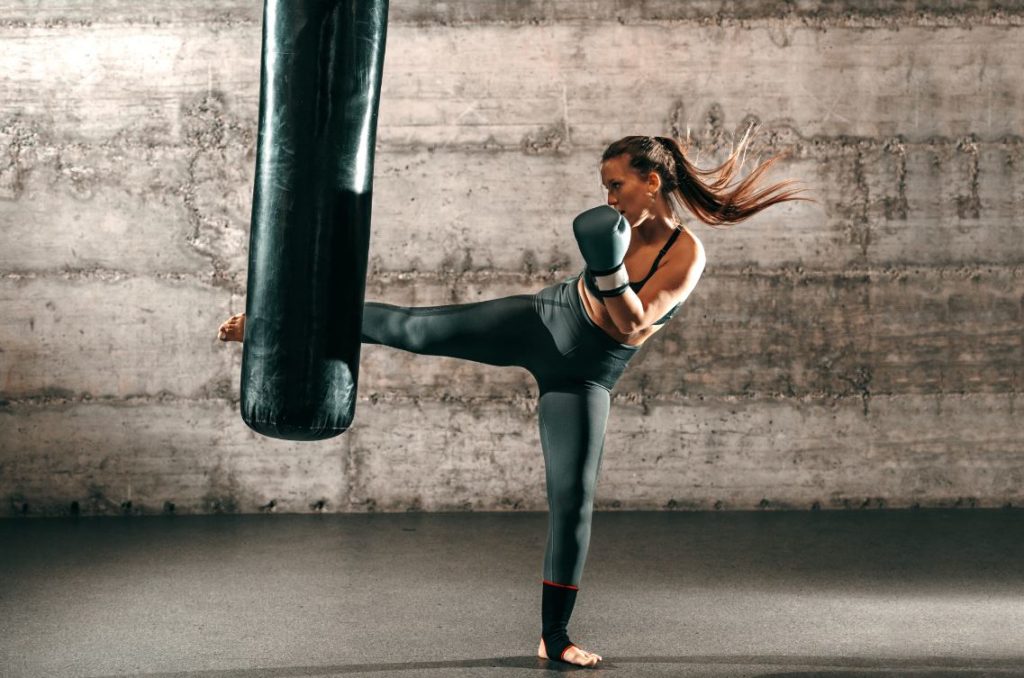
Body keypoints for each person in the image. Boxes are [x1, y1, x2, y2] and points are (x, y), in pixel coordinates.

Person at [218, 129, 805, 667]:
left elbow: (632, 324)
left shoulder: (685, 253)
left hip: (586, 375)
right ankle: (275, 324)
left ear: (652, 183)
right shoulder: (618, 228)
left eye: (617, 185)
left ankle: (555, 637)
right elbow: (606, 305)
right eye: (604, 187)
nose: (609, 197)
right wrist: (604, 266)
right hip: (543, 322)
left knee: (573, 500)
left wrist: (607, 267)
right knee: (415, 329)